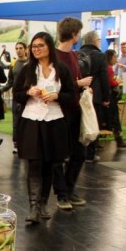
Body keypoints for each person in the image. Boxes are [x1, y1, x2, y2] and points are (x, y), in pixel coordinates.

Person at [13, 32, 76, 224]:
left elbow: (71, 94)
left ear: (49, 46)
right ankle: (33, 207)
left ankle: (43, 203)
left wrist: (57, 96)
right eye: (34, 46)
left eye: (40, 45)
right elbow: (17, 94)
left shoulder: (62, 69)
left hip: (54, 121)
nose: (37, 49)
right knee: (34, 163)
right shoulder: (28, 69)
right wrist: (28, 92)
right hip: (32, 120)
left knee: (50, 163)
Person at [55, 17, 92, 210]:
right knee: (59, 155)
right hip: (59, 112)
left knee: (79, 153)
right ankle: (62, 193)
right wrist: (79, 83)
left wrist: (84, 88)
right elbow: (54, 86)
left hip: (75, 110)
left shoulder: (73, 56)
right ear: (75, 34)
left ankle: (69, 188)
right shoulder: (55, 57)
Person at [78, 31, 111, 162]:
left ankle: (77, 152)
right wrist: (106, 98)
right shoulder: (100, 56)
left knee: (78, 123)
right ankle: (90, 154)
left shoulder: (76, 54)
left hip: (78, 93)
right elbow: (104, 78)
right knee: (92, 123)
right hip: (94, 95)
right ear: (96, 41)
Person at [1, 41, 29, 153]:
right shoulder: (14, 63)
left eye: (21, 48)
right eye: (17, 48)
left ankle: (27, 144)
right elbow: (10, 81)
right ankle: (16, 144)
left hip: (28, 97)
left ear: (25, 49)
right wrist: (1, 90)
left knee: (27, 121)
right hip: (16, 98)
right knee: (16, 121)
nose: (18, 50)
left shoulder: (31, 63)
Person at [105, 49, 126, 149]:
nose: (116, 59)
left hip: (107, 98)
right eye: (115, 56)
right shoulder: (109, 68)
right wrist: (117, 82)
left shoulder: (106, 68)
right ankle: (119, 140)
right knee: (115, 118)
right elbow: (110, 82)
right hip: (111, 98)